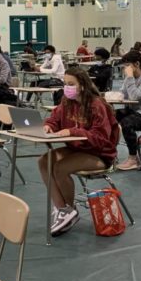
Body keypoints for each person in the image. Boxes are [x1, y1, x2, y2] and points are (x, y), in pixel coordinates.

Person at [39, 67, 119, 235]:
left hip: (99, 154)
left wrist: (73, 132)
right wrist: (49, 126)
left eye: (71, 84)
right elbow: (54, 118)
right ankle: (63, 209)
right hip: (76, 148)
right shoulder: (66, 102)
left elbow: (101, 138)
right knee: (44, 162)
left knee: (60, 168)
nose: (66, 87)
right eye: (64, 83)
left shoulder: (97, 105)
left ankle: (68, 211)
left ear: (82, 85)